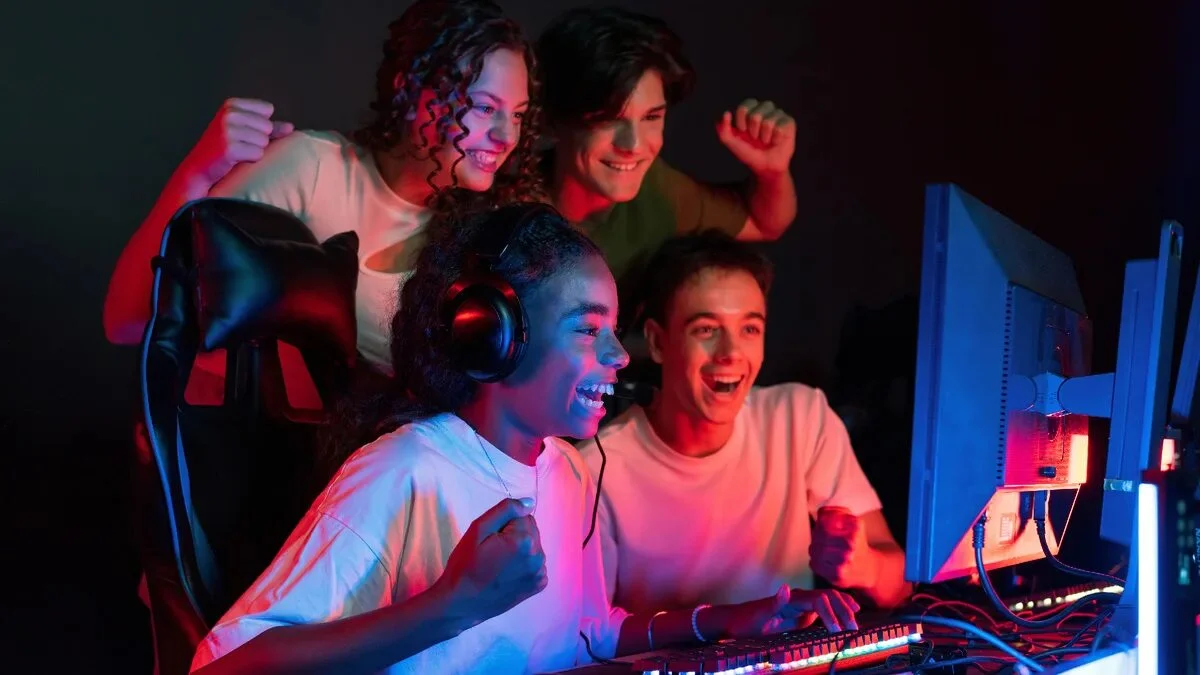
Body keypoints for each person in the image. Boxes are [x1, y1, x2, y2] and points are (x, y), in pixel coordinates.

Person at [188, 205, 860, 674]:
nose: (619, 357)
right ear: (497, 336)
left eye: (615, 330)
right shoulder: (405, 470)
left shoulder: (565, 472)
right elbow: (224, 665)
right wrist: (451, 606)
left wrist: (721, 622)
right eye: (588, 329)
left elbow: (589, 635)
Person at [102, 0, 543, 385]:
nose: (506, 136)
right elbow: (128, 319)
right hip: (249, 459)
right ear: (410, 91)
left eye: (518, 115)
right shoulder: (312, 169)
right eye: (485, 108)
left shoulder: (490, 238)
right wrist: (196, 175)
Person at [576, 231, 911, 623]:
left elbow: (899, 585)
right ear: (658, 341)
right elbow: (590, 637)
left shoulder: (800, 417)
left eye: (749, 329)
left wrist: (865, 566)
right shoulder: (596, 468)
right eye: (706, 329)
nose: (731, 353)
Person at [536, 6, 799, 319]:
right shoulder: (506, 205)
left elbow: (766, 222)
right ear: (553, 120)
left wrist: (772, 171)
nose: (633, 145)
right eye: (607, 119)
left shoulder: (657, 190)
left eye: (651, 117)